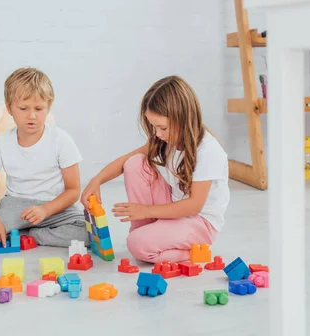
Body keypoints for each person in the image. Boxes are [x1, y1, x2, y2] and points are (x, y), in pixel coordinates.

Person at [81, 75, 229, 262]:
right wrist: (96, 181)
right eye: (154, 127)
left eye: (162, 128)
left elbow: (194, 205)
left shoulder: (208, 150)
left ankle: (197, 250)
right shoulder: (167, 139)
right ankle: (147, 233)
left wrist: (146, 210)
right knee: (135, 163)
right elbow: (126, 160)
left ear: (183, 119)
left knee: (137, 245)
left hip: (200, 222)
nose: (158, 134)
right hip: (173, 207)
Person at [0, 67, 88, 247]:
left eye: (39, 108)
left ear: (48, 107)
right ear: (9, 108)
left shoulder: (61, 139)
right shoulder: (2, 142)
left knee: (88, 235)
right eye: (23, 108)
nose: (31, 116)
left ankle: (31, 235)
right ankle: (16, 231)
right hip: (15, 209)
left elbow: (73, 191)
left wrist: (45, 210)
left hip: (56, 209)